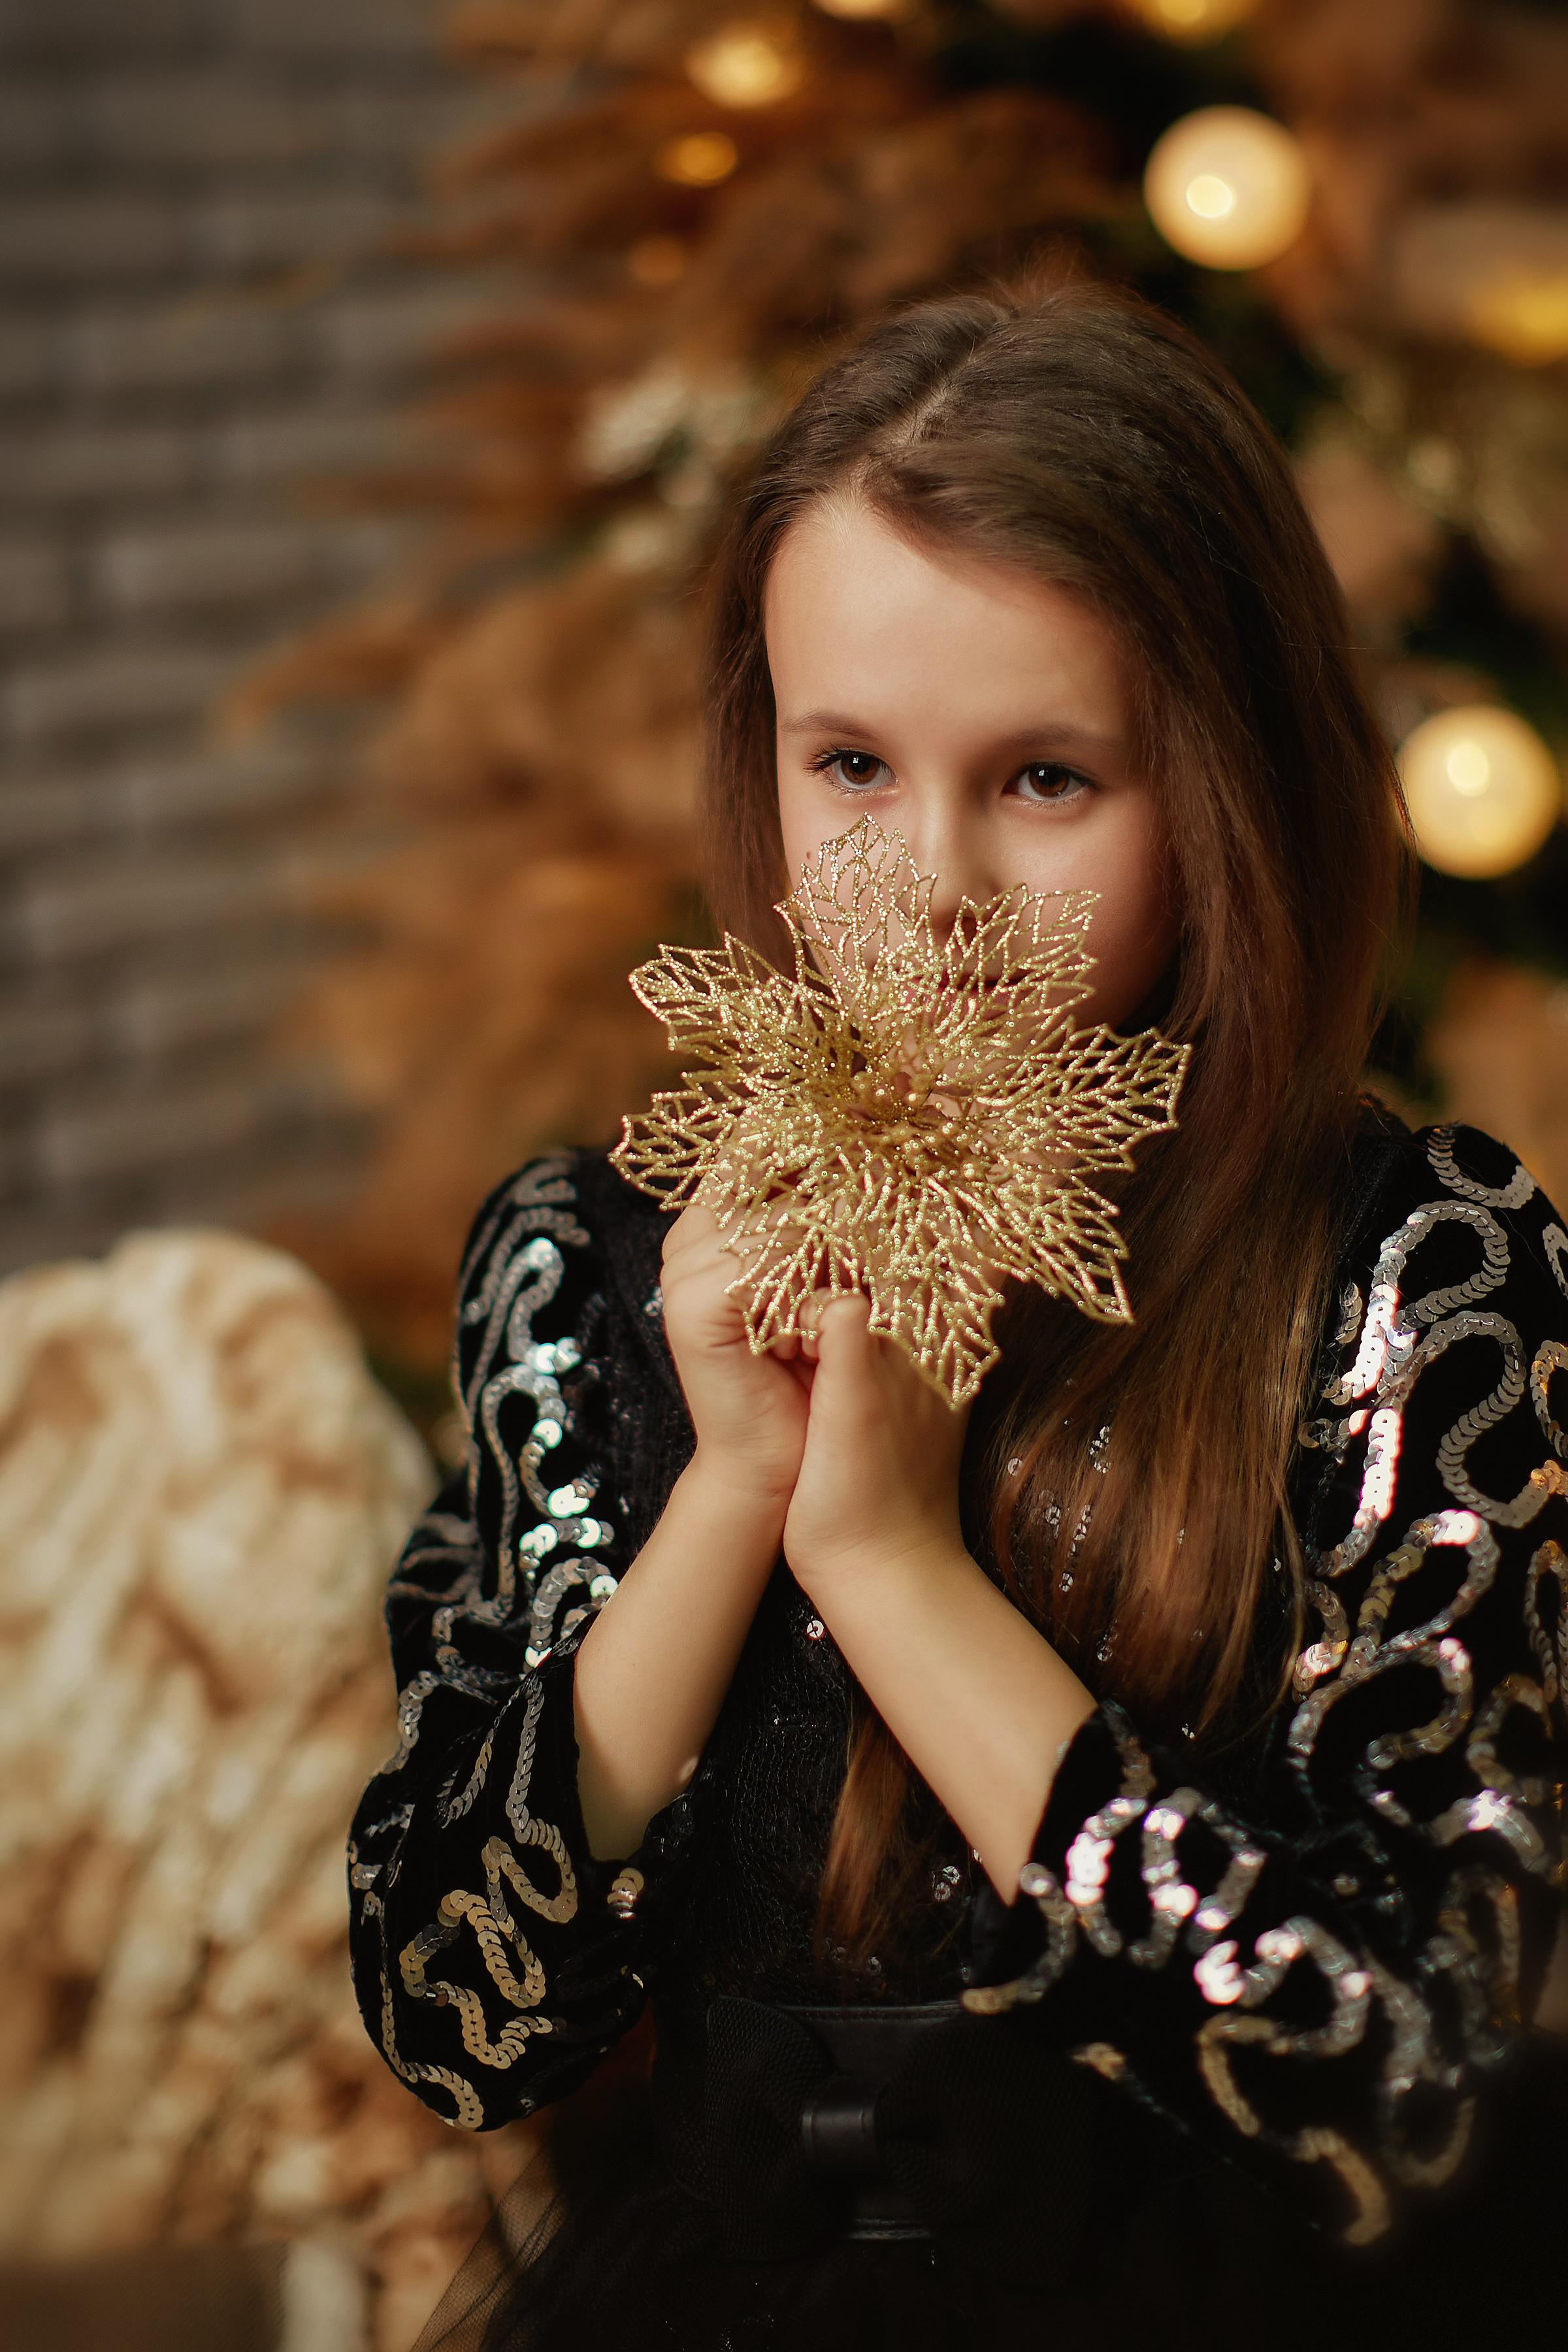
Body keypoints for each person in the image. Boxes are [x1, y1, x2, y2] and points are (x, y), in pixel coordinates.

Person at [346, 280, 1568, 2352]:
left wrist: (894, 1561)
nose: (929, 892)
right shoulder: (584, 1266)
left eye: (1046, 781)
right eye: (850, 764)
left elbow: (1387, 2080)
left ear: (1224, 786)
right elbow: (464, 2012)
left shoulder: (1415, 1277)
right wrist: (732, 1486)